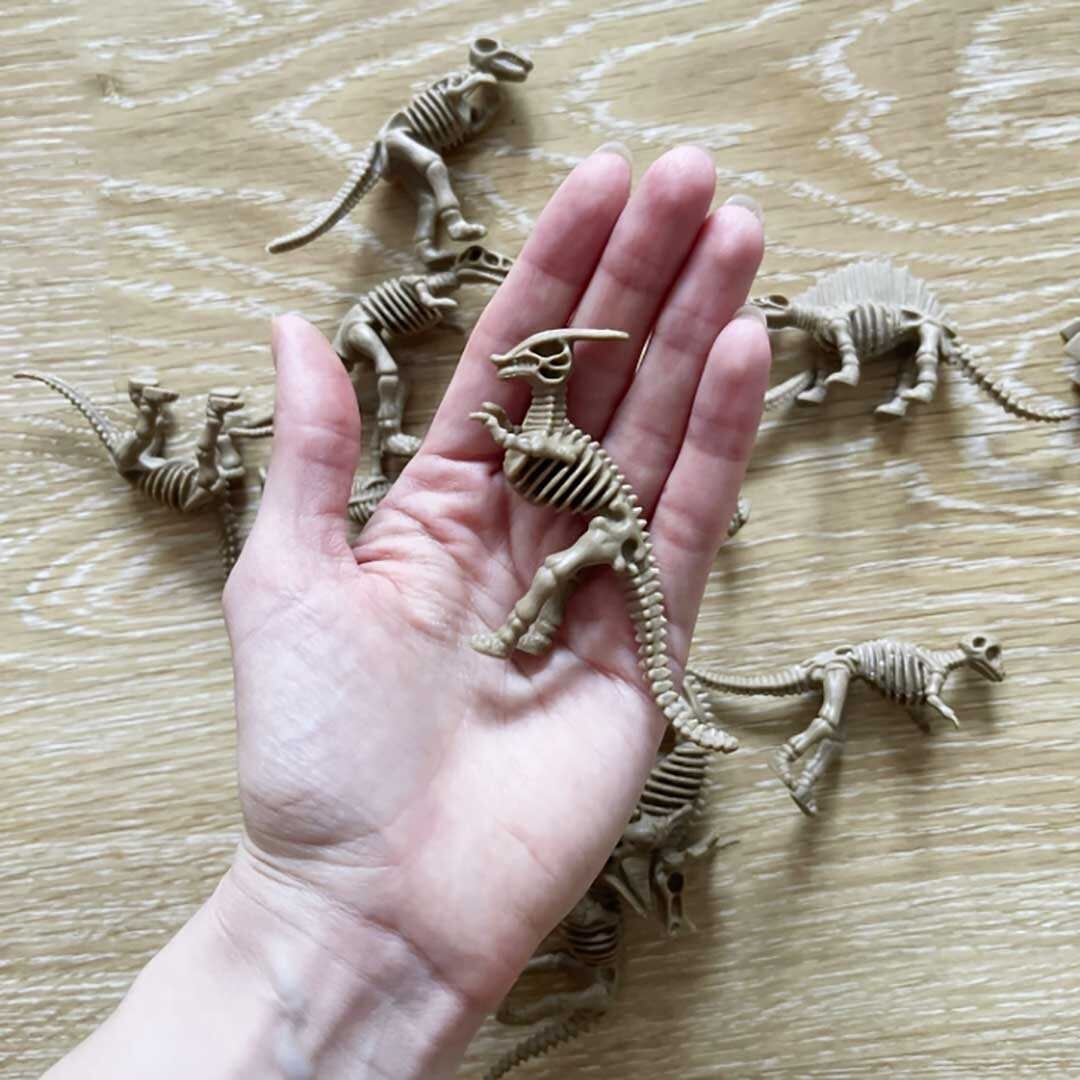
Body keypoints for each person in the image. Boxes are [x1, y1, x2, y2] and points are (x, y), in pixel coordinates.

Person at [46, 143, 770, 1079]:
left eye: (538, 362)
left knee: (560, 573)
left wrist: (323, 922)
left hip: (609, 528)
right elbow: (529, 453)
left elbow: (544, 462)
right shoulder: (529, 427)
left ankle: (533, 628)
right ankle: (534, 628)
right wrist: (331, 908)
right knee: (557, 571)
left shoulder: (543, 435)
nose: (526, 365)